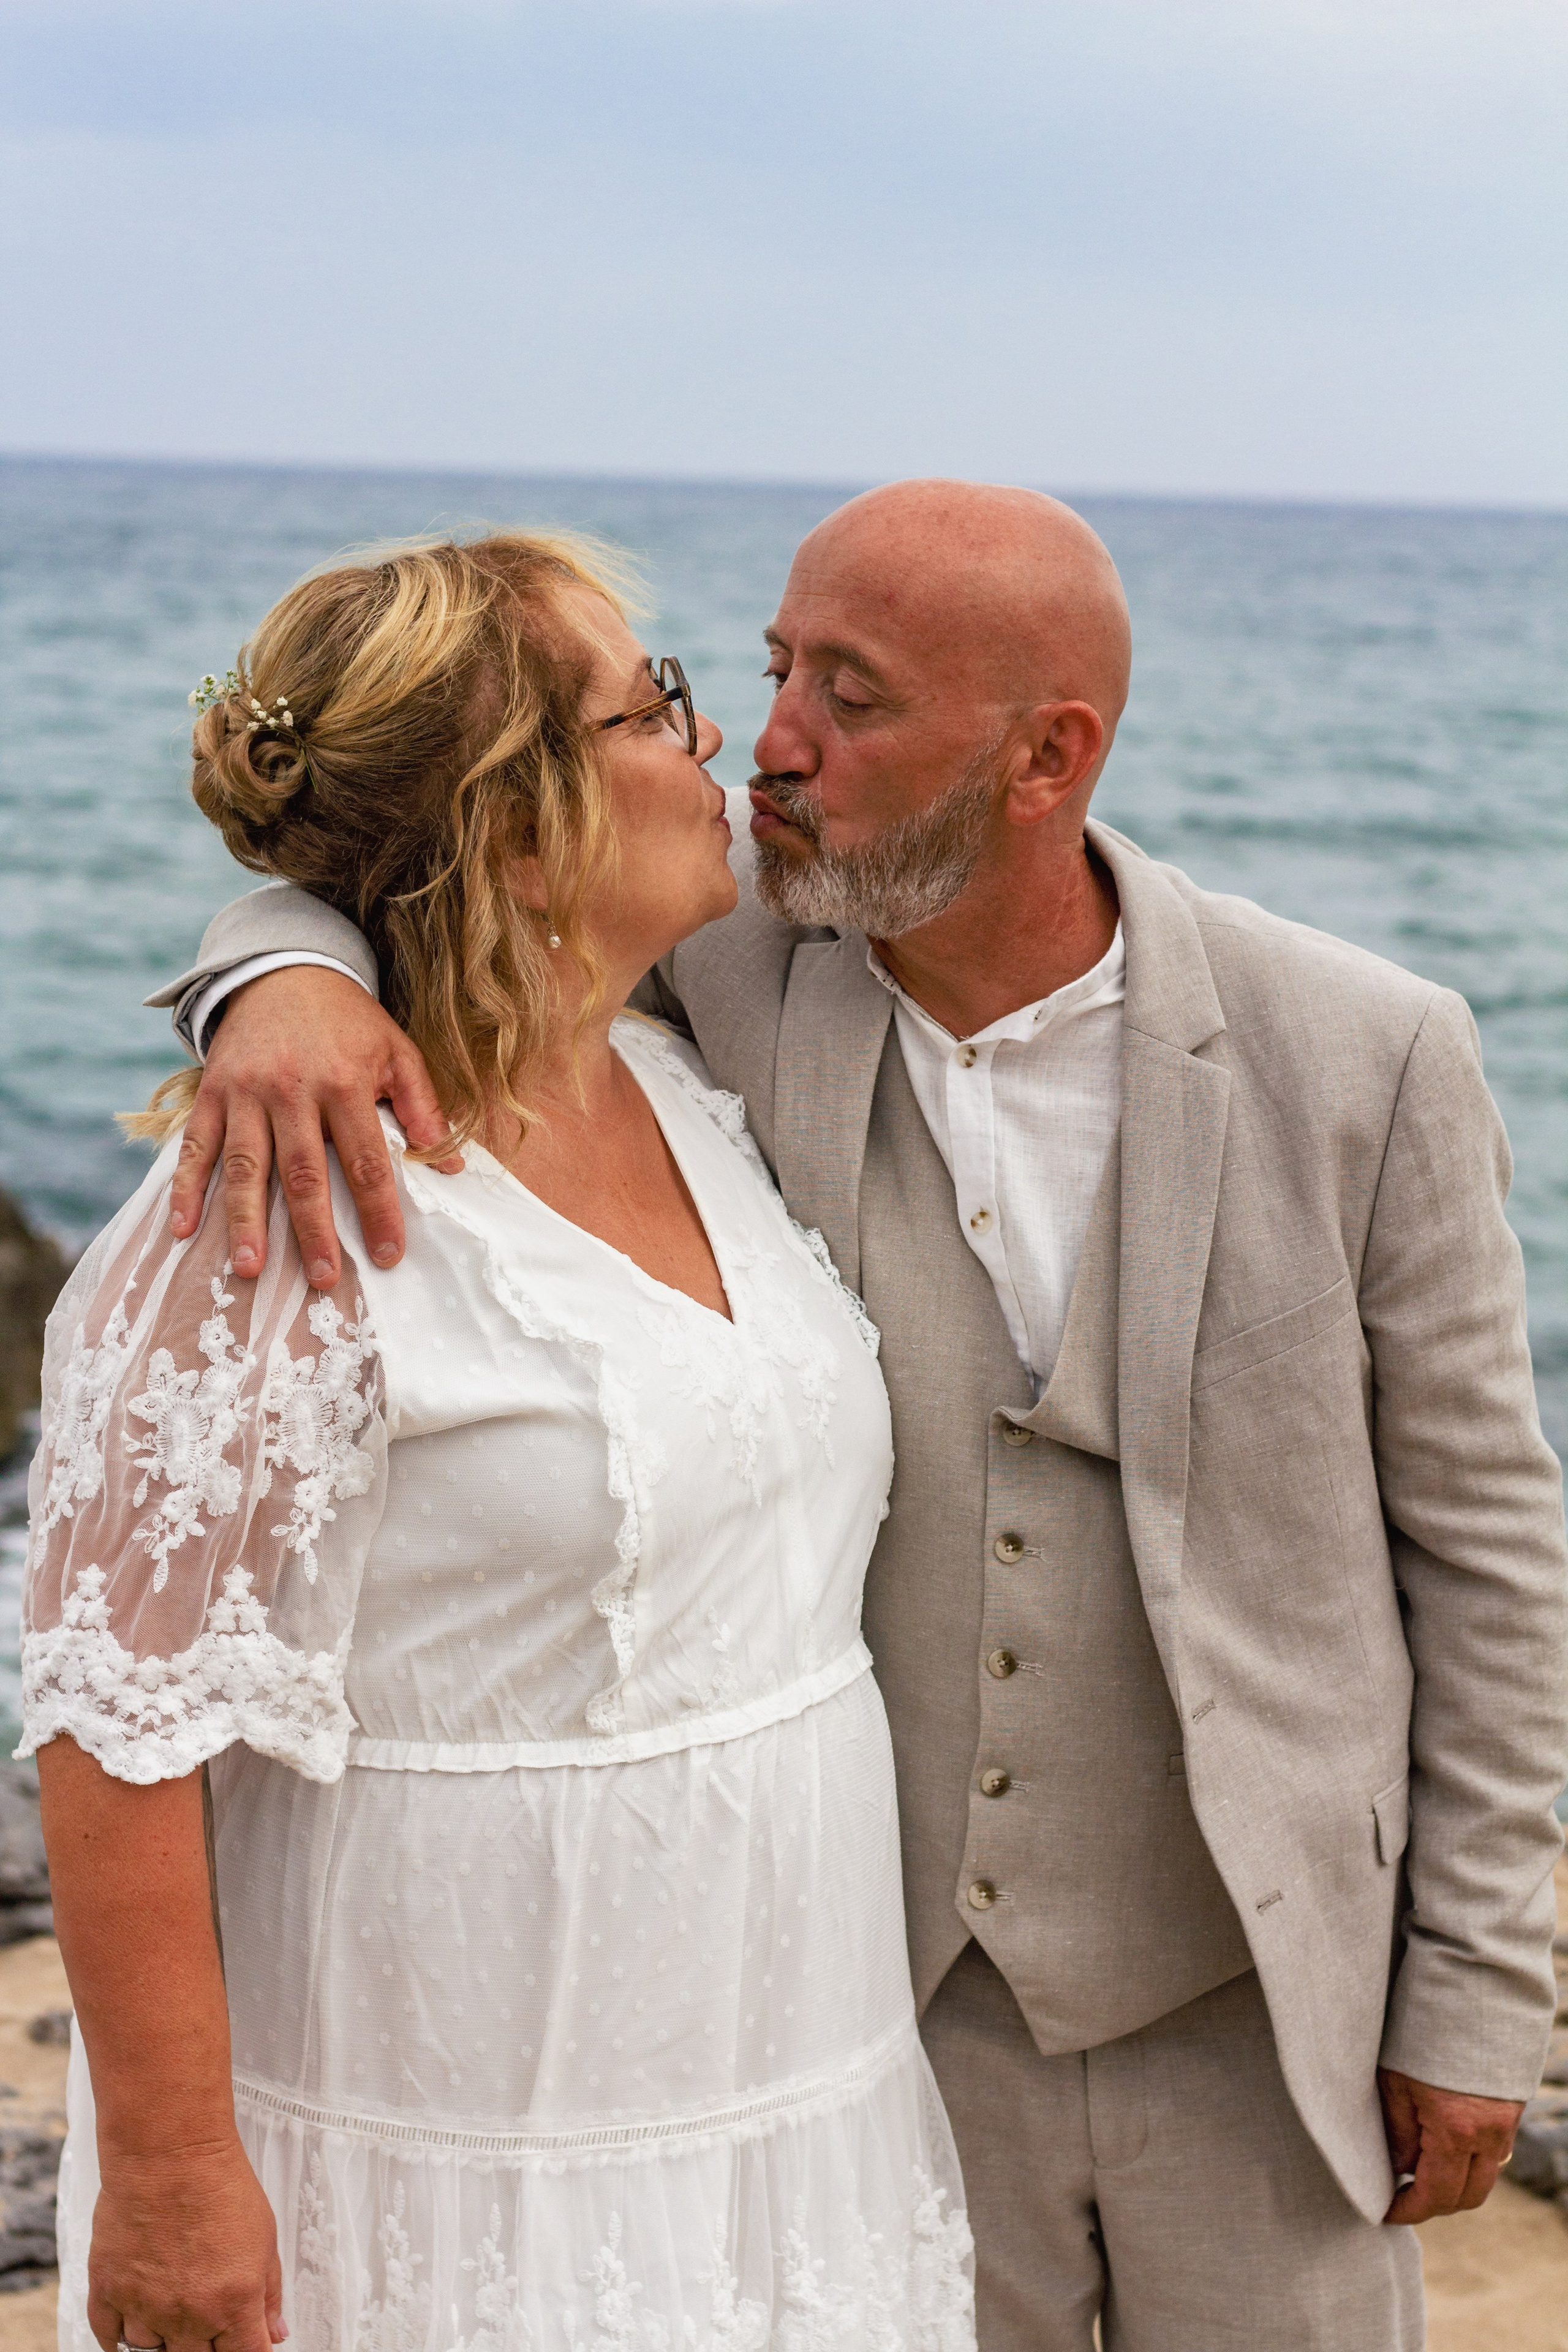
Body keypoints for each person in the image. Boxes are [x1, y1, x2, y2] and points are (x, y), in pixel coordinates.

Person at [152, 481, 1567, 2352]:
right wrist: (281, 974)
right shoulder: (702, 982)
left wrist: (1474, 1998)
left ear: (1046, 754)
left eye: (854, 694)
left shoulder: (1365, 1054)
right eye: (768, 670)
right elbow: (418, 854)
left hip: (1259, 2014)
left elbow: (1487, 1558)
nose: (773, 746)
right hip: (867, 2014)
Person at [22, 531, 978, 2352]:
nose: (723, 746)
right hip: (452, 2138)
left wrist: (269, 956)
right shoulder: (268, 1209)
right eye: (657, 709)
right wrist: (166, 2169)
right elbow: (113, 1717)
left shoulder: (694, 1084)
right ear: (517, 825)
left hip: (784, 2096)